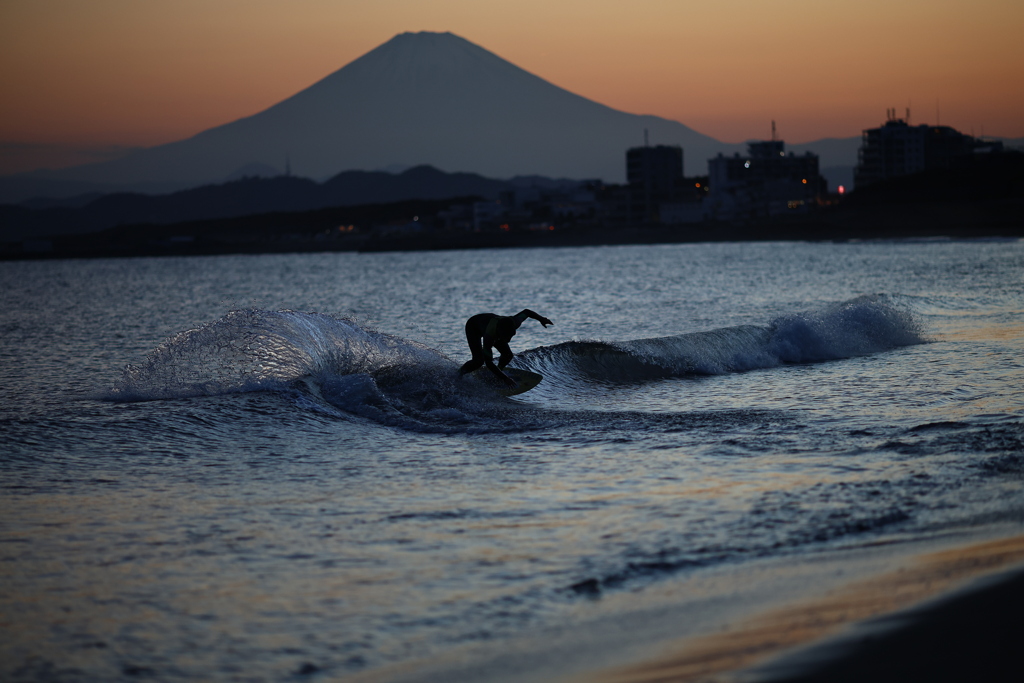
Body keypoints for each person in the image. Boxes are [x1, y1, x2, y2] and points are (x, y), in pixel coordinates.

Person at [458, 309, 553, 387]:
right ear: (499, 333)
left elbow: (527, 312)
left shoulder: (515, 322)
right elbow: (488, 362)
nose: (509, 340)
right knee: (478, 361)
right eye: (507, 337)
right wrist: (505, 378)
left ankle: (497, 373)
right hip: (473, 326)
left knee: (508, 355)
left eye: (511, 336)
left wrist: (542, 319)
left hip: (494, 325)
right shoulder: (489, 337)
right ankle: (458, 375)